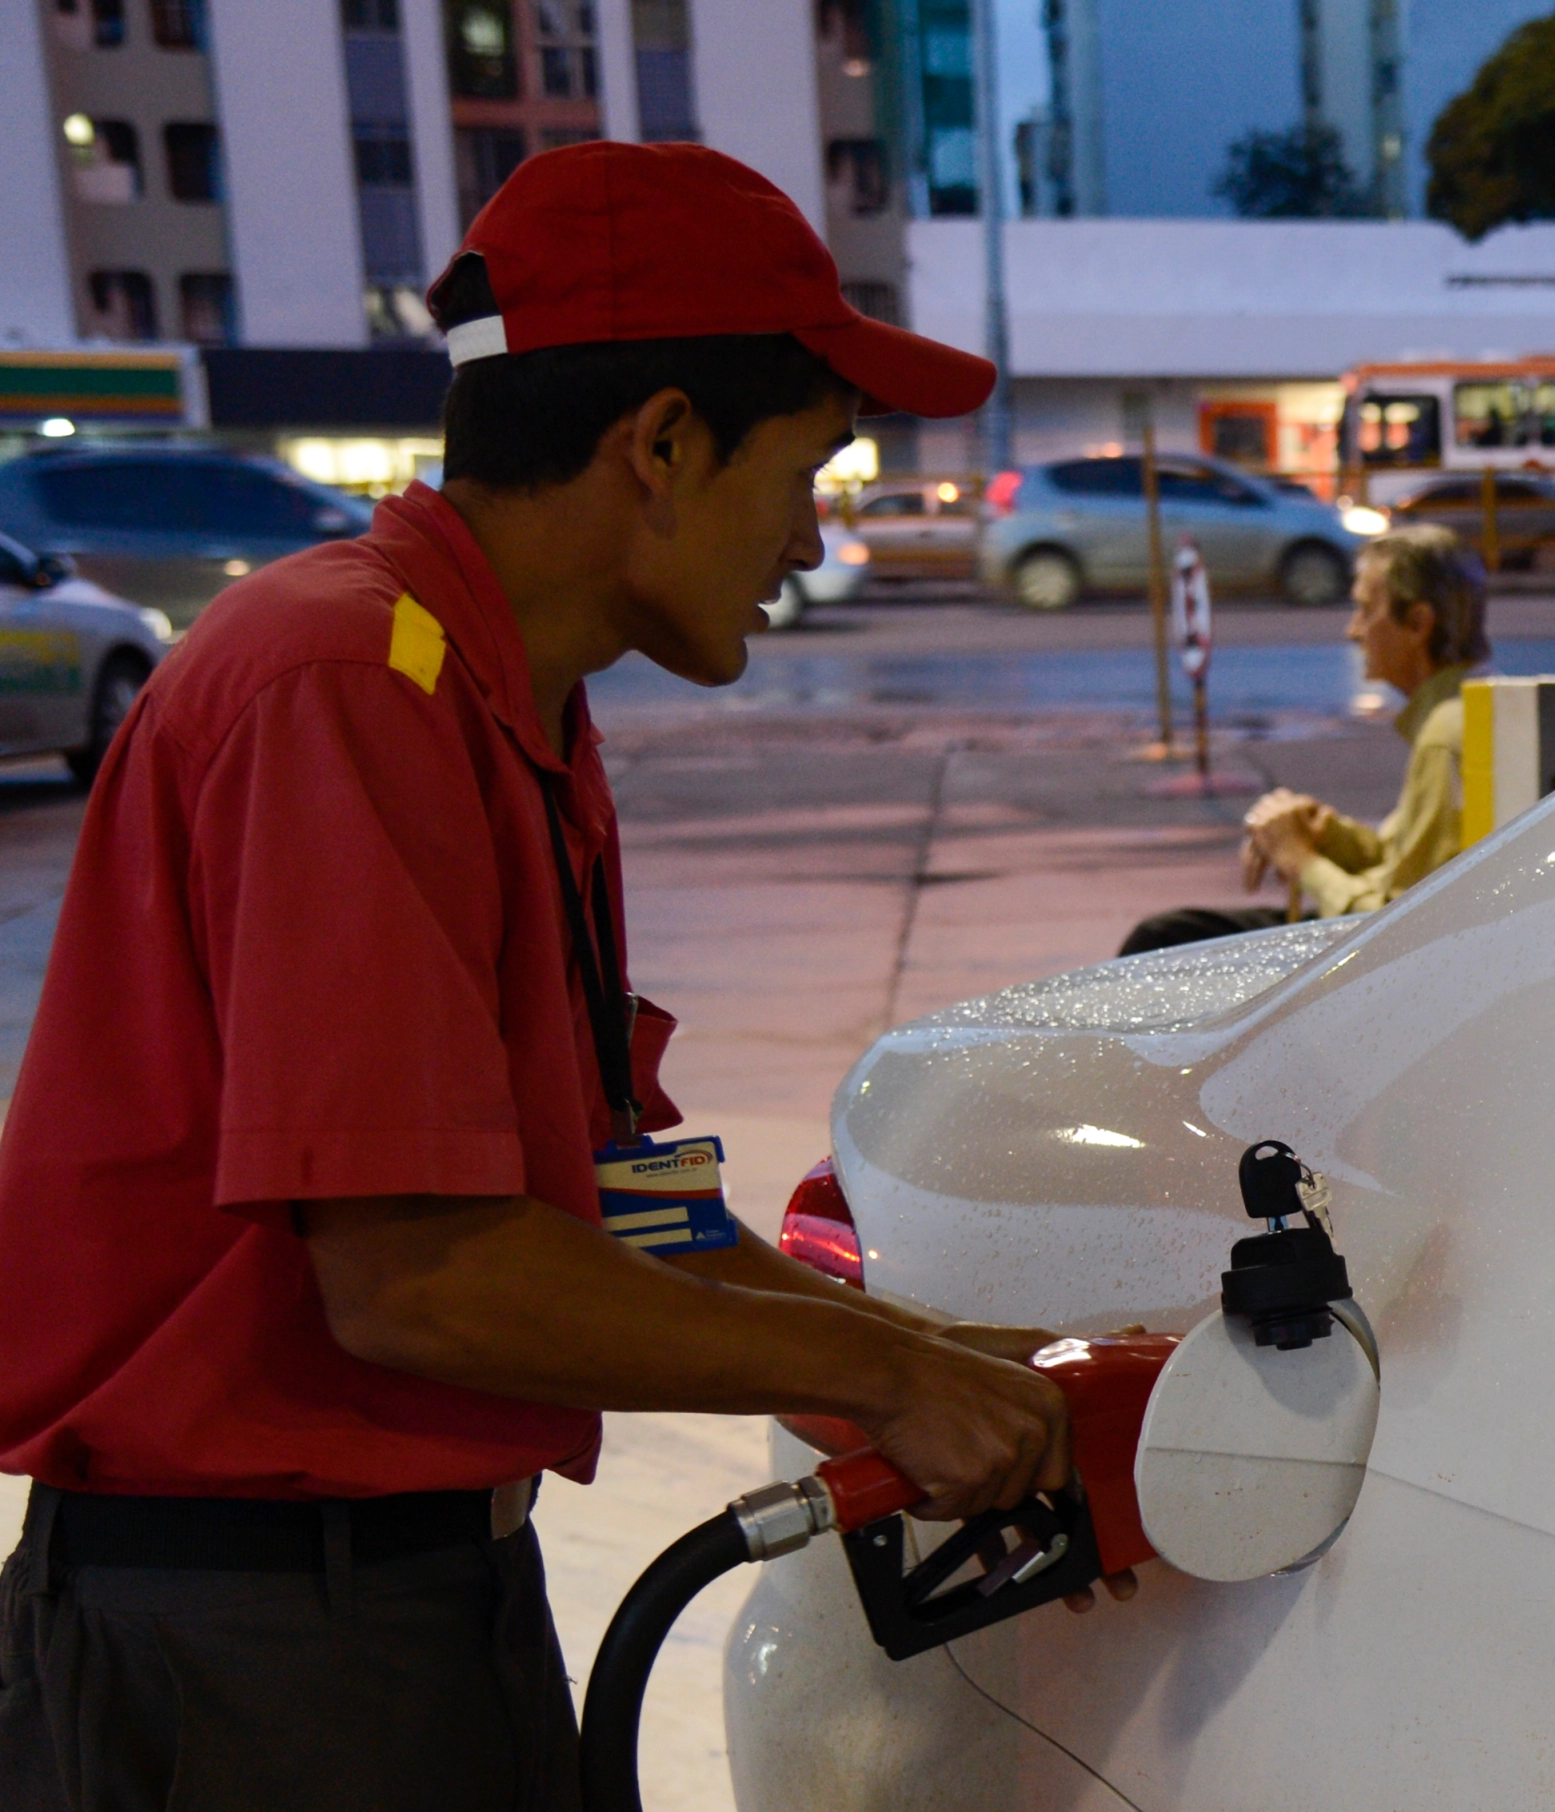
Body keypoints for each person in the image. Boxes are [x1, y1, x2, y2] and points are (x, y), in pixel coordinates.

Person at [0, 144, 1099, 1812]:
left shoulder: (506, 703)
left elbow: (615, 1202)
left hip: (410, 1600)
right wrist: (880, 1379)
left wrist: (945, 1359)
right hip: (252, 1650)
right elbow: (418, 1278)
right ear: (660, 444)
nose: (809, 540)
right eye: (811, 470)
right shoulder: (345, 679)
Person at [1120, 525, 1488, 956]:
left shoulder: (1447, 732)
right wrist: (1325, 832)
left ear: (1419, 623)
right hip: (1372, 920)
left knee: (1163, 941)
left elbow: (1398, 926)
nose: (1354, 631)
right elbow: (1401, 856)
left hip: (1377, 949)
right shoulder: (1459, 707)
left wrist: (1301, 861)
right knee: (1174, 933)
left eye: (1365, 611)